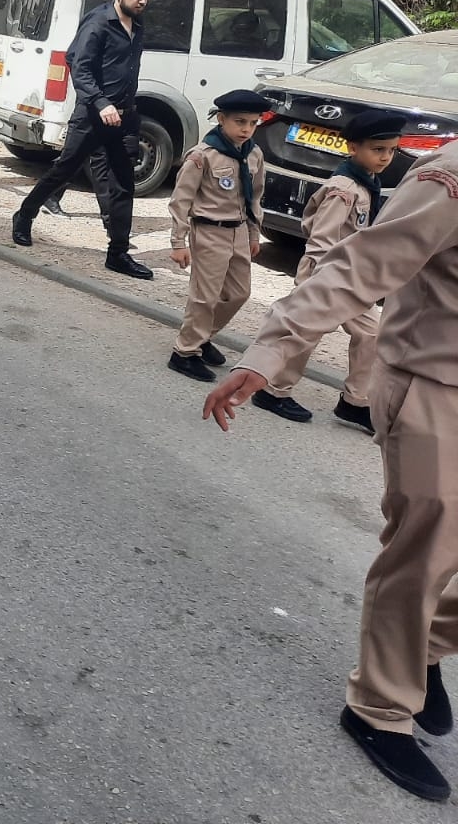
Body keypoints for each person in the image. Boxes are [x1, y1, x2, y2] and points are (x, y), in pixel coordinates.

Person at [203, 142, 458, 804]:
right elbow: (358, 267)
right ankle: (378, 709)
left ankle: (421, 645)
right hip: (434, 388)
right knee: (424, 556)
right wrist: (270, 350)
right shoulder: (449, 178)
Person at [252, 110, 407, 430]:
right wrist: (315, 285)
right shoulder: (345, 189)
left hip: (353, 276)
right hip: (326, 272)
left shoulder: (367, 183)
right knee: (305, 333)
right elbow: (321, 238)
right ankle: (272, 391)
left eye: (392, 150)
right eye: (378, 150)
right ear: (353, 148)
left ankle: (355, 401)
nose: (386, 157)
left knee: (372, 334)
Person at [12, 0, 154, 280]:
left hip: (125, 118)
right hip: (93, 116)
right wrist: (102, 103)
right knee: (64, 169)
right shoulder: (99, 23)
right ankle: (25, 214)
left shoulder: (139, 25)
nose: (143, 1)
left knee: (123, 184)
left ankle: (117, 253)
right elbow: (78, 63)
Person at [165, 90, 269, 383]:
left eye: (253, 122)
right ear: (221, 119)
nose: (246, 129)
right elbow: (181, 200)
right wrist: (178, 242)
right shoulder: (202, 156)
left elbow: (255, 198)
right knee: (204, 296)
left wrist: (253, 234)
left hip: (238, 231)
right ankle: (184, 353)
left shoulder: (254, 154)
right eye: (239, 122)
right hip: (209, 231)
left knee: (239, 293)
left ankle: (202, 336)